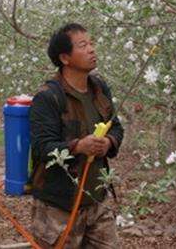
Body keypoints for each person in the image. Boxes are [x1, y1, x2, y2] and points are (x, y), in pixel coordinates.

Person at [29, 23, 124, 248]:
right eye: (83, 45)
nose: (92, 49)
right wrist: (78, 147)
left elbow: (116, 127)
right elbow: (43, 148)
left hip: (97, 202)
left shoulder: (99, 89)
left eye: (91, 43)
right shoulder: (48, 98)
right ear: (65, 58)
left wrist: (108, 142)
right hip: (58, 209)